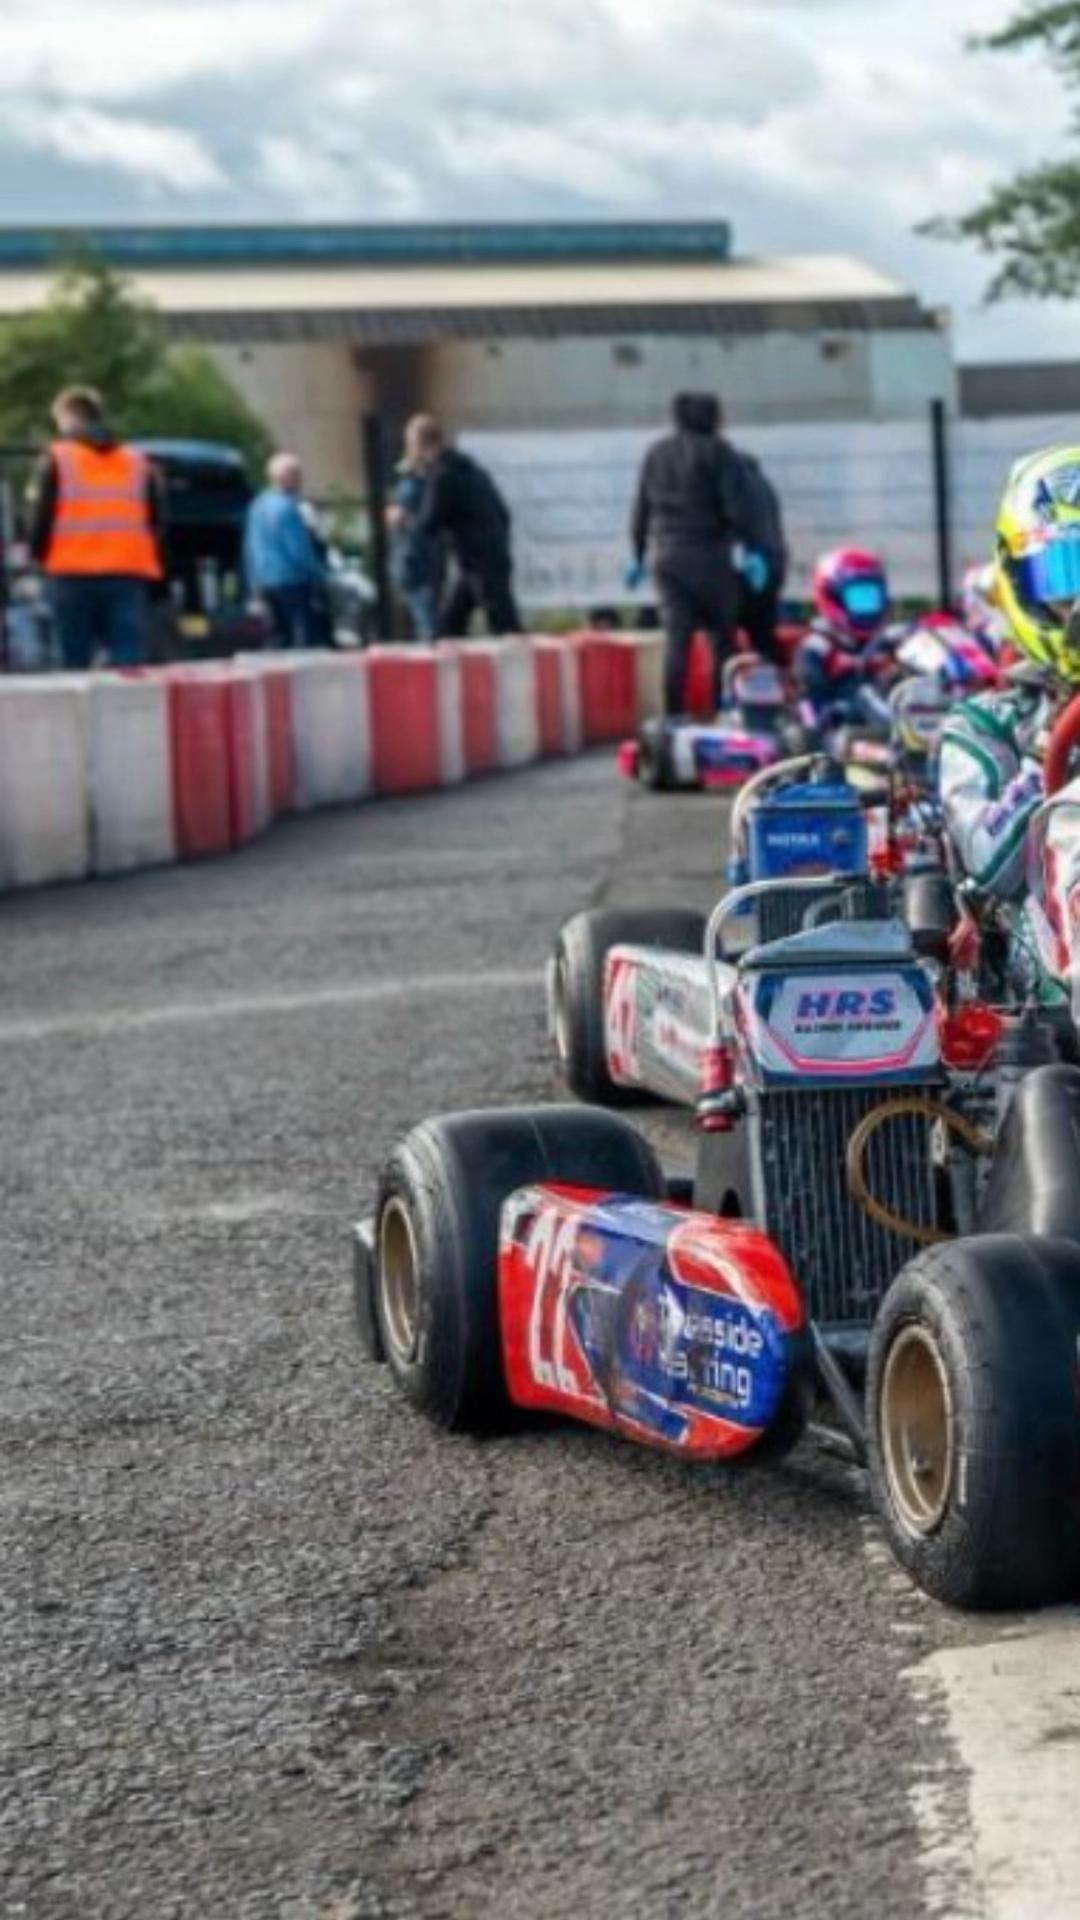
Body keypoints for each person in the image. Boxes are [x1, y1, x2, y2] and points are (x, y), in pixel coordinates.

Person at [939, 447, 1080, 902]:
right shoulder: (985, 724)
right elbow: (990, 870)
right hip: (1044, 930)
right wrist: (1051, 745)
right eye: (1068, 574)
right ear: (1018, 581)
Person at [629, 392, 762, 716]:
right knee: (722, 640)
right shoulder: (720, 452)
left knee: (677, 640)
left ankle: (673, 715)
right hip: (710, 555)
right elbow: (737, 507)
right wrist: (749, 547)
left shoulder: (656, 454)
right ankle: (722, 711)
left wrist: (638, 553)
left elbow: (641, 509)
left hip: (667, 557)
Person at [28, 385, 165, 669]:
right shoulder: (137, 462)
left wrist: (37, 557)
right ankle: (126, 700)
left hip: (69, 573)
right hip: (126, 572)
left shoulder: (57, 458)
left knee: (73, 662)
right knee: (127, 660)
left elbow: (41, 518)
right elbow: (156, 522)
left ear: (67, 417)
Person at [409, 415, 521, 637]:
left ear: (419, 445)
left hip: (477, 560)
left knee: (503, 623)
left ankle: (523, 658)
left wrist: (405, 522)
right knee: (451, 622)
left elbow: (431, 520)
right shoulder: (472, 469)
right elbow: (503, 513)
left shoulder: (443, 474)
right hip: (485, 556)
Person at [792, 547, 894, 730]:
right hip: (842, 734)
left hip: (895, 732)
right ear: (831, 596)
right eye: (859, 599)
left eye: (872, 598)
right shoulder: (817, 648)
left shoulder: (890, 645)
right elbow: (809, 706)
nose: (868, 607)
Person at [244, 452, 327, 649]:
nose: (300, 480)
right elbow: (298, 549)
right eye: (297, 474)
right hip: (292, 579)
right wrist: (318, 574)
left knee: (276, 635)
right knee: (301, 634)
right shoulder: (287, 508)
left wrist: (253, 580)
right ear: (286, 477)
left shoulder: (258, 505)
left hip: (265, 579)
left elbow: (250, 546)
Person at [386, 418, 445, 641]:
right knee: (424, 615)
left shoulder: (432, 474)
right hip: (414, 552)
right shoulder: (410, 472)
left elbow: (420, 513)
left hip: (420, 553)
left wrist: (402, 516)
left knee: (427, 618)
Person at [734, 451, 787, 661]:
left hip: (752, 567)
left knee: (728, 632)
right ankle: (769, 670)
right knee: (763, 632)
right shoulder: (765, 486)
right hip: (774, 563)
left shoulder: (739, 487)